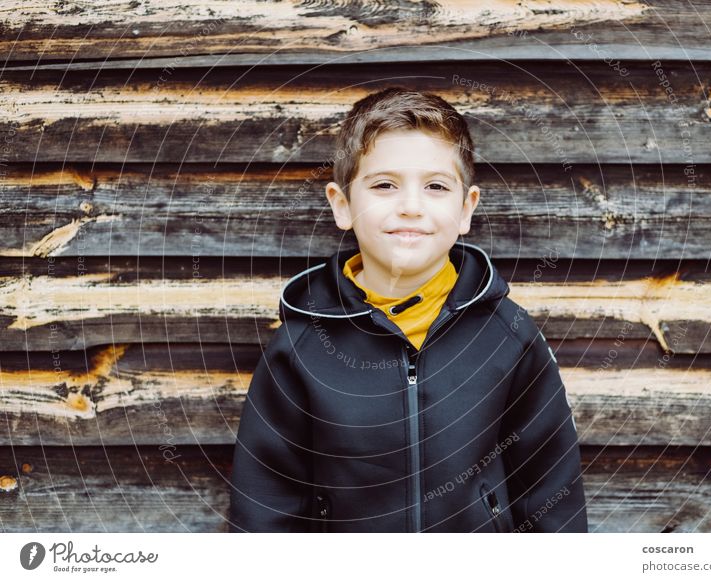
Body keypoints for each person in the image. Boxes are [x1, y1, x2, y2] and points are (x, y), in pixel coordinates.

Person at [228, 86, 587, 532]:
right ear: (342, 205)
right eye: (384, 185)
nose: (411, 207)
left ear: (465, 209)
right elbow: (264, 505)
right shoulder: (300, 348)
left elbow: (551, 487)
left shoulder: (508, 335)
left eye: (436, 186)